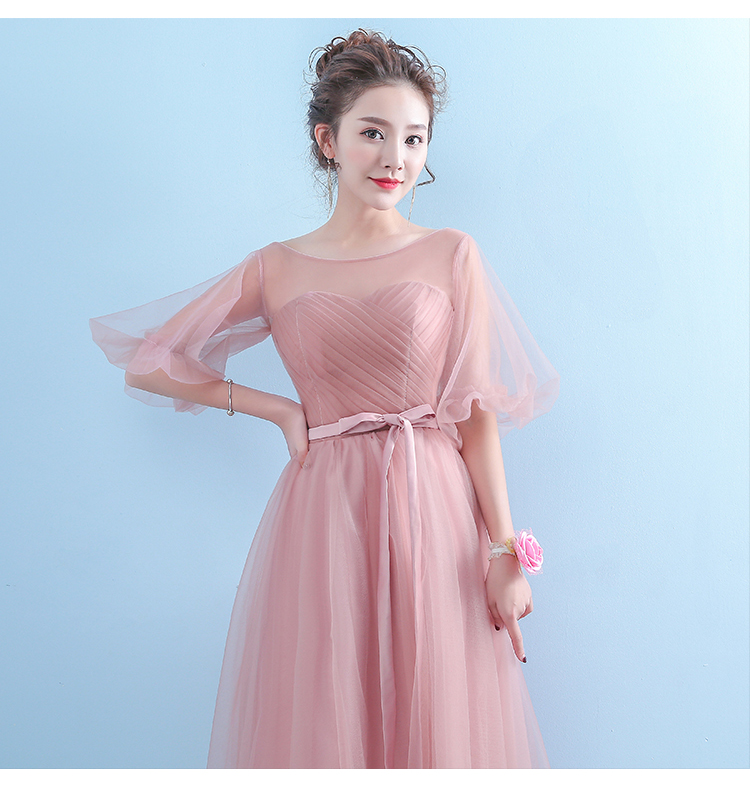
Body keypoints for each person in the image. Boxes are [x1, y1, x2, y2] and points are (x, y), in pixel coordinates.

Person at [90, 28, 560, 769]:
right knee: (329, 714)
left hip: (434, 504)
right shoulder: (277, 267)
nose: (395, 157)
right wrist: (277, 409)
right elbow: (149, 364)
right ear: (328, 140)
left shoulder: (452, 254)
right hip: (325, 511)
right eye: (373, 133)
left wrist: (505, 551)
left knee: (439, 713)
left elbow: (475, 417)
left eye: (414, 138)